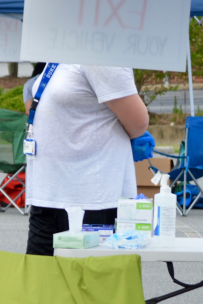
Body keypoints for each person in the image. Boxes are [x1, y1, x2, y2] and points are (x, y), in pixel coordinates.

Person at [24, 64, 154, 256]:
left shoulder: (102, 58)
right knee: (38, 274)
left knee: (84, 275)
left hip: (91, 201)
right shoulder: (60, 56)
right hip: (48, 197)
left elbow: (138, 123)